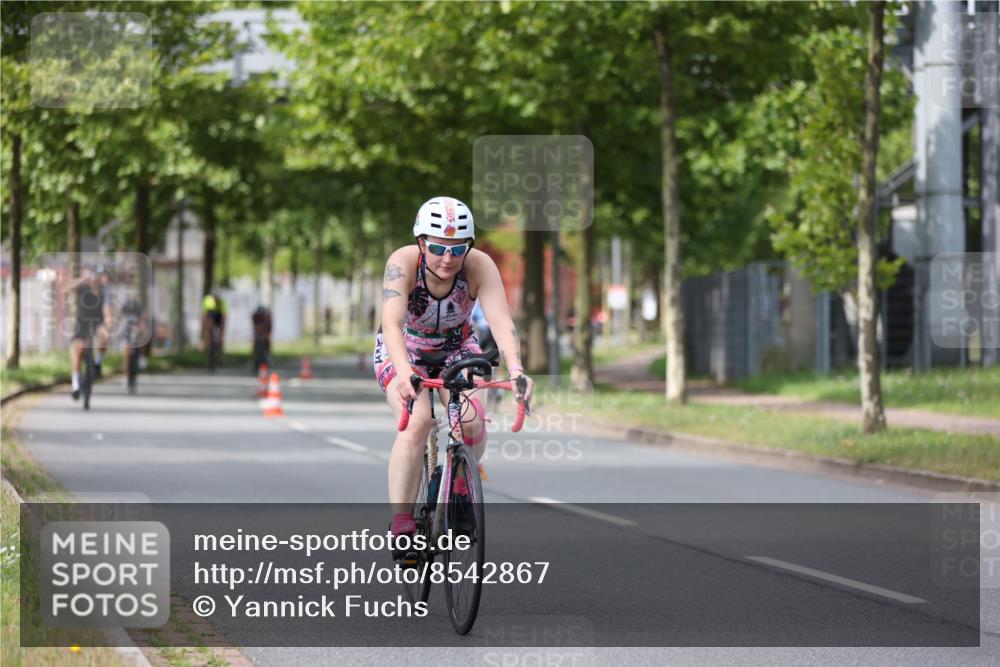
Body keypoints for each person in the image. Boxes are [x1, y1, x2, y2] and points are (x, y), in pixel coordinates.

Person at [374, 196, 533, 541]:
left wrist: (517, 370)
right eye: (437, 248)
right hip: (404, 347)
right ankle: (402, 520)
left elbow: (502, 323)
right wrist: (404, 373)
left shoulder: (480, 266)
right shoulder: (402, 262)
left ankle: (460, 486)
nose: (448, 259)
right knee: (418, 422)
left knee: (472, 420)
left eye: (457, 249)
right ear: (421, 243)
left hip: (456, 347)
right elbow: (391, 323)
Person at [66, 267, 111, 400]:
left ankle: (97, 363)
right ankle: (75, 385)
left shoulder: (104, 291)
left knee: (105, 338)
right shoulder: (83, 288)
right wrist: (81, 279)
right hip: (82, 322)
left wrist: (108, 324)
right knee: (79, 352)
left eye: (101, 277)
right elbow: (67, 289)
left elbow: (106, 309)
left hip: (97, 322)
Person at [201, 290, 227, 360]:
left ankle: (220, 352)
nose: (216, 301)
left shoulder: (222, 302)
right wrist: (205, 326)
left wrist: (222, 328)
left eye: (217, 300)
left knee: (221, 333)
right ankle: (208, 345)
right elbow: (204, 314)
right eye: (215, 300)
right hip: (210, 314)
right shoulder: (208, 300)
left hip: (219, 315)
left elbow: (224, 316)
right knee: (207, 328)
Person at [251, 304, 272, 373]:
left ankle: (267, 361)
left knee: (266, 345)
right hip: (258, 333)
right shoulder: (255, 316)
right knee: (255, 346)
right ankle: (255, 363)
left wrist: (266, 335)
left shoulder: (266, 316)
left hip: (266, 331)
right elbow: (254, 326)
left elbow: (268, 327)